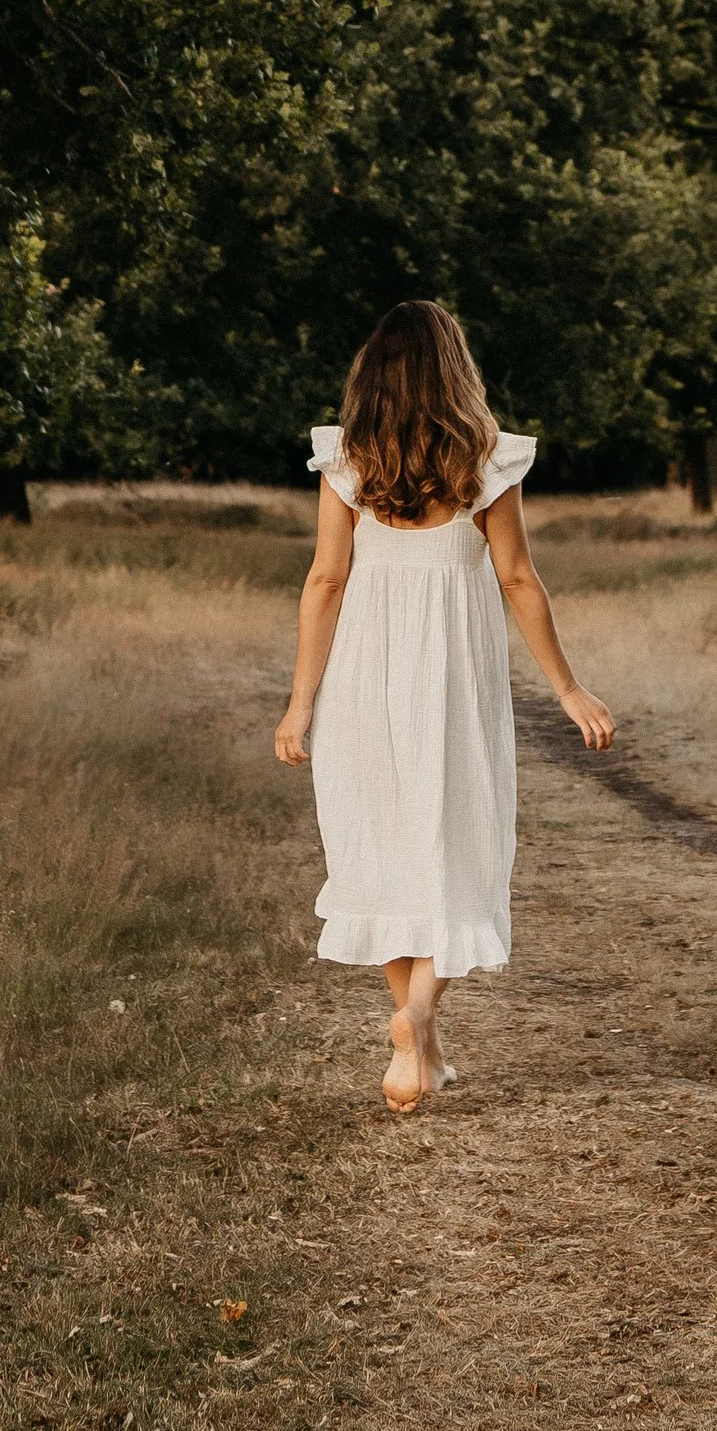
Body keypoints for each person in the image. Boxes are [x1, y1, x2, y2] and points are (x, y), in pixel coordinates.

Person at [273, 298, 614, 1112]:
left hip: (364, 680)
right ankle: (419, 1021)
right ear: (455, 370)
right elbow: (518, 580)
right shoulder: (486, 462)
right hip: (456, 687)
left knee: (388, 853)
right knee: (462, 852)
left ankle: (415, 1040)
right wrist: (567, 686)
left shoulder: (348, 461)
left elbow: (325, 580)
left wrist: (300, 704)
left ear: (373, 375)